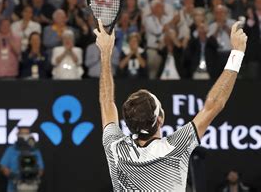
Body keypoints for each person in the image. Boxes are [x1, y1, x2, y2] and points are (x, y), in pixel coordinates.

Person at [94, 19, 247, 190]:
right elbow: (214, 104)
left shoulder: (115, 149)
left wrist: (105, 53)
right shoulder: (176, 147)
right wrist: (238, 52)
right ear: (160, 119)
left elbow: (106, 102)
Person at [0, 127, 44, 192]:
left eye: (26, 134)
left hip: (32, 187)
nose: (24, 136)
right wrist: (14, 176)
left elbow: (41, 169)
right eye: (22, 133)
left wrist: (34, 176)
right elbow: (3, 167)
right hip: (14, 188)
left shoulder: (35, 150)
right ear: (18, 135)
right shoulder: (11, 150)